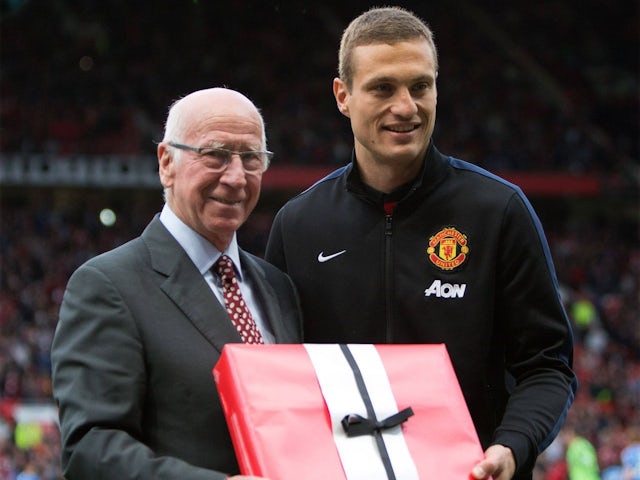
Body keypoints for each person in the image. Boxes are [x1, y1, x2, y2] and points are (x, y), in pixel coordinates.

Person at [265, 6, 577, 480]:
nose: (407, 106)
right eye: (383, 88)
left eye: (420, 86)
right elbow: (279, 376)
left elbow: (548, 366)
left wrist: (510, 447)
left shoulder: (498, 211)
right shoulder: (298, 224)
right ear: (343, 96)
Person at [51, 87, 303, 479]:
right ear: (166, 162)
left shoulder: (278, 287)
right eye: (215, 155)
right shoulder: (106, 286)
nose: (236, 177)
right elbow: (91, 450)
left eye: (251, 158)